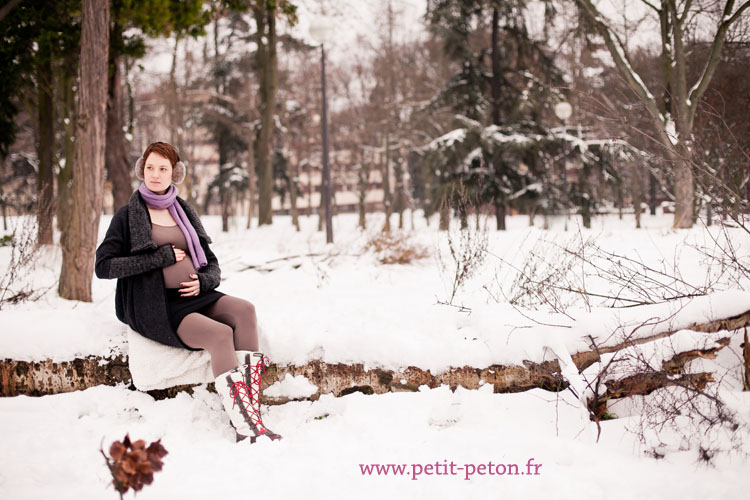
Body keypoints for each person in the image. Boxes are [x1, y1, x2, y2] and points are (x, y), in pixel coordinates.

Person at [95, 141, 281, 444]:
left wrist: (203, 282)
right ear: (142, 169)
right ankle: (245, 427)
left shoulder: (183, 211)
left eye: (163, 169)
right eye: (150, 167)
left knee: (245, 310)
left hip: (196, 295)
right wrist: (160, 258)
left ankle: (251, 411)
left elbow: (212, 264)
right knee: (220, 334)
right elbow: (104, 267)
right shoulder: (127, 215)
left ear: (175, 173)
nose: (155, 174)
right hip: (158, 305)